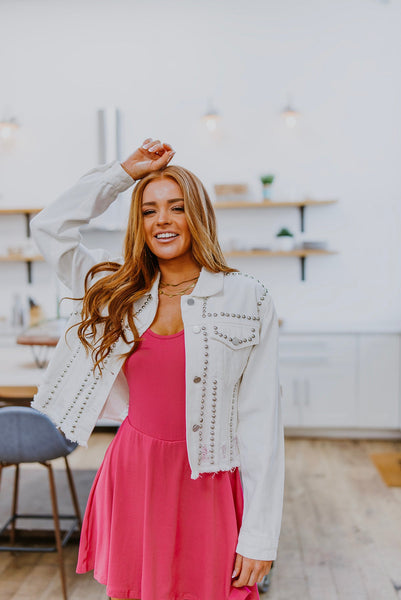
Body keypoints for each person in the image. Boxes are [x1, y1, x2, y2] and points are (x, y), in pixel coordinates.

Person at [30, 138, 285, 600]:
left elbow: (262, 422)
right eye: (149, 211)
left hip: (209, 479)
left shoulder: (247, 297)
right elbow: (50, 227)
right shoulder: (115, 292)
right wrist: (122, 175)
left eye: (176, 208)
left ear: (198, 217)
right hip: (134, 473)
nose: (162, 221)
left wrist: (260, 536)